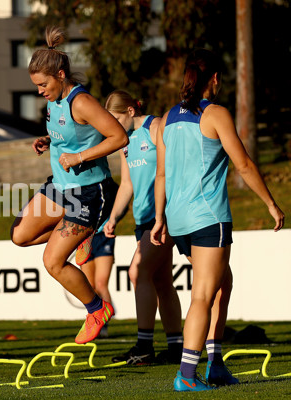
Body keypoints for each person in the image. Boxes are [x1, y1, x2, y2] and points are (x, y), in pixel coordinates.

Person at [150, 48, 285, 391]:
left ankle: (216, 363)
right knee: (203, 295)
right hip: (208, 218)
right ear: (214, 79)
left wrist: (160, 218)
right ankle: (187, 375)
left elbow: (162, 174)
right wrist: (271, 203)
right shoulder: (216, 114)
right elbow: (243, 164)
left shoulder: (167, 118)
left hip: (179, 220)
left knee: (222, 283)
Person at [10, 26, 128, 344]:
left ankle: (96, 310)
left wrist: (80, 157)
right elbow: (71, 132)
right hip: (60, 188)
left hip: (90, 192)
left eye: (43, 84)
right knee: (19, 235)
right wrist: (49, 141)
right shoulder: (54, 99)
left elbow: (119, 136)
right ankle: (79, 237)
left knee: (52, 262)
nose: (39, 91)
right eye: (35, 85)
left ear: (61, 75)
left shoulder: (82, 101)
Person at [98, 90, 183, 365]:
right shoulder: (124, 141)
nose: (111, 126)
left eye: (115, 119)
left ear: (131, 111)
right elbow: (127, 185)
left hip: (164, 216)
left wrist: (164, 213)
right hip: (142, 218)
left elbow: (172, 171)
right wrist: (113, 218)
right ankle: (176, 347)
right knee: (161, 281)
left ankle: (144, 346)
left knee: (138, 271)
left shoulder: (155, 127)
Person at [78, 222, 116, 339]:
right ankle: (94, 323)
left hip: (104, 235)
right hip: (85, 236)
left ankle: (104, 325)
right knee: (90, 286)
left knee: (101, 284)